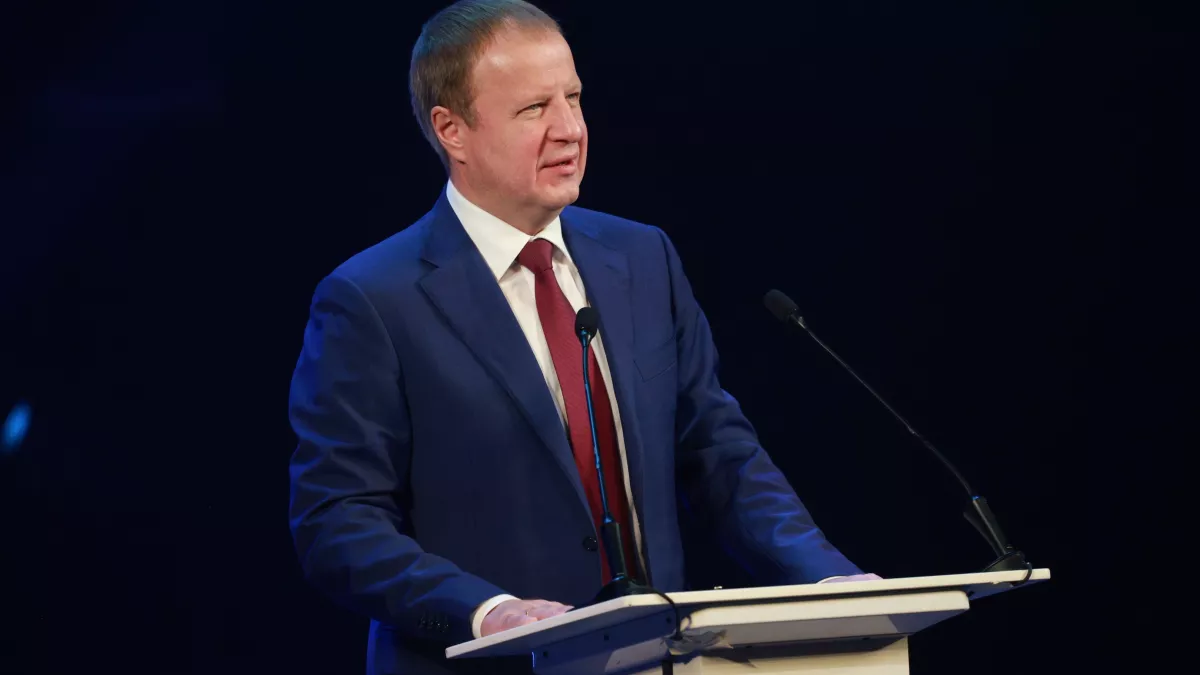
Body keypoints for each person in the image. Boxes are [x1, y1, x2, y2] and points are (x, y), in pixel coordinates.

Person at [287, 1, 877, 673]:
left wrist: (826, 578)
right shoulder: (372, 299)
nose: (570, 129)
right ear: (453, 131)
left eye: (573, 98)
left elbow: (720, 453)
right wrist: (487, 611)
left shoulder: (643, 258)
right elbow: (337, 523)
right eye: (534, 109)